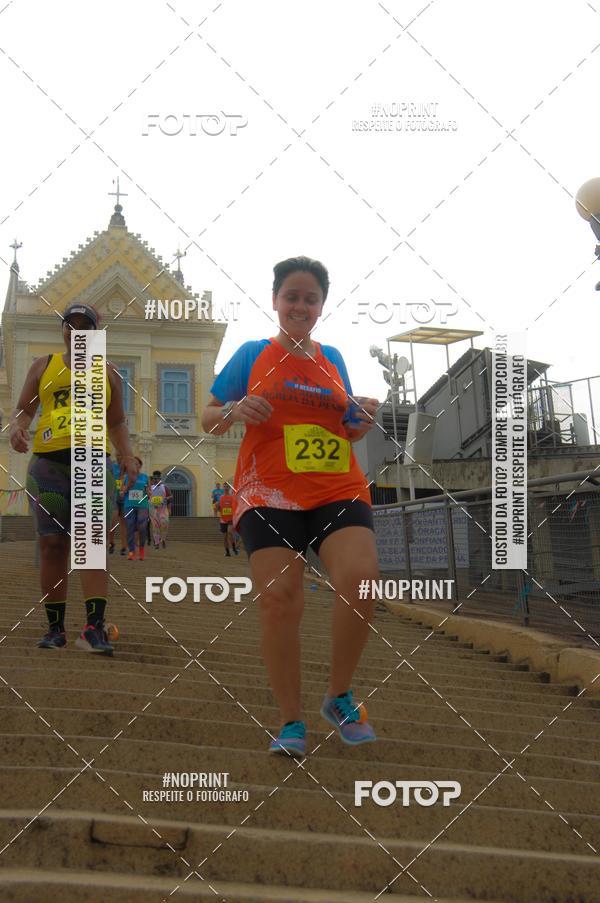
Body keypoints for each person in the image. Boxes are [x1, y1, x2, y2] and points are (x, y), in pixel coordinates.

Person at [201, 256, 380, 757]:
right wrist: (235, 409)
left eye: (310, 298)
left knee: (361, 578)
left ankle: (338, 695)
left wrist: (360, 418)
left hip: (335, 485)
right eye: (291, 296)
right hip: (268, 490)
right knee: (281, 598)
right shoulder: (253, 354)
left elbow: (344, 427)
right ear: (276, 300)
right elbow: (207, 419)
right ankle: (291, 721)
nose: (300, 305)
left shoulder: (332, 359)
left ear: (321, 305)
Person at [8, 303, 139, 654]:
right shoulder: (43, 366)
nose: (77, 331)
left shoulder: (108, 373)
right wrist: (17, 429)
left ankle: (94, 628)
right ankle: (55, 629)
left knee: (92, 547)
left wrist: (127, 455)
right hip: (48, 465)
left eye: (86, 326)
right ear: (63, 329)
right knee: (52, 545)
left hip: (93, 464)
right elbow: (24, 409)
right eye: (71, 324)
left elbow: (117, 422)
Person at [121, 458, 149, 560]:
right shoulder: (126, 477)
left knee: (142, 527)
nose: (135, 466)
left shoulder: (145, 477)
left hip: (143, 505)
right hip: (129, 504)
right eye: (133, 464)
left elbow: (148, 490)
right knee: (130, 528)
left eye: (137, 464)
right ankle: (131, 551)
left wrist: (149, 492)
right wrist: (129, 484)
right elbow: (122, 491)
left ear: (140, 466)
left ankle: (141, 548)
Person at [149, 470, 172, 549]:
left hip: (163, 509)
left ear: (160, 479)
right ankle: (156, 542)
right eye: (154, 479)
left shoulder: (164, 487)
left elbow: (171, 496)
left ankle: (163, 539)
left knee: (164, 524)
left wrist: (167, 500)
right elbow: (146, 497)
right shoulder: (150, 488)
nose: (156, 480)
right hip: (153, 510)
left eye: (157, 479)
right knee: (155, 526)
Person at [218, 482, 238, 557]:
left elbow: (235, 507)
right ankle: (227, 552)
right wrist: (217, 507)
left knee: (230, 533)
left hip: (230, 518)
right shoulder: (221, 497)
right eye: (224, 486)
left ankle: (234, 548)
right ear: (223, 488)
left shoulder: (232, 497)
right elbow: (219, 508)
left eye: (227, 486)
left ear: (229, 488)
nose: (226, 487)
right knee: (225, 537)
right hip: (223, 519)